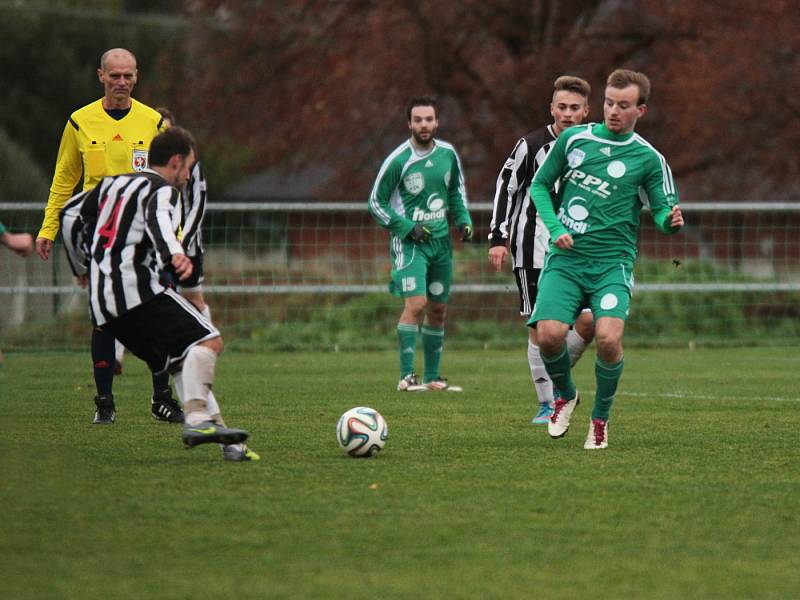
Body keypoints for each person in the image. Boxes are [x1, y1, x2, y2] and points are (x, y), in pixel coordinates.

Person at [78, 126, 256, 461]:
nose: (188, 176)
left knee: (180, 360)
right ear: (175, 162)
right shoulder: (161, 189)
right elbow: (160, 220)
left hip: (102, 304)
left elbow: (72, 215)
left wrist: (82, 266)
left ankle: (230, 445)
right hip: (137, 292)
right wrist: (173, 253)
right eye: (188, 166)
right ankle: (198, 420)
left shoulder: (111, 184)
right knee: (209, 341)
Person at [528, 68, 684, 449]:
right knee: (549, 336)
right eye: (609, 103)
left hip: (612, 264)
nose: (614, 111)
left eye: (624, 105)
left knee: (608, 340)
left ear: (640, 110)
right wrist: (554, 226)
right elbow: (540, 185)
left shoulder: (649, 159)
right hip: (566, 259)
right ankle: (565, 394)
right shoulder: (575, 140)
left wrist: (671, 222)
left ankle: (599, 421)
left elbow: (663, 211)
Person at [34, 48, 180, 425]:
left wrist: (174, 237)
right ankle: (104, 403)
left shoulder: (153, 122)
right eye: (114, 75)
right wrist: (49, 228)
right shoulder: (80, 122)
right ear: (100, 75)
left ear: (137, 77)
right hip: (101, 233)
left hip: (147, 233)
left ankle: (162, 398)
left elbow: (171, 181)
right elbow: (64, 179)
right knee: (105, 317)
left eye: (128, 75)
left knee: (158, 312)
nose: (121, 82)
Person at [488, 76, 595, 425]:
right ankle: (548, 403)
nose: (567, 113)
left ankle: (556, 376)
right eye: (561, 107)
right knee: (539, 325)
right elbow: (506, 187)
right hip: (532, 248)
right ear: (551, 109)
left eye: (574, 108)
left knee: (591, 320)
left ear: (586, 111)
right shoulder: (531, 145)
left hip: (581, 250)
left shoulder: (596, 145)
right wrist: (497, 238)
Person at [368, 96, 473, 392]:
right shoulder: (399, 160)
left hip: (441, 244)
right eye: (418, 120)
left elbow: (456, 193)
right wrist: (406, 228)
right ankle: (406, 376)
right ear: (409, 124)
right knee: (416, 303)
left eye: (429, 119)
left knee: (438, 309)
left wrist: (463, 220)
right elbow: (375, 203)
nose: (424, 125)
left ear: (437, 122)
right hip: (411, 244)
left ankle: (433, 377)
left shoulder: (448, 154)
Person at [113, 107, 211, 374]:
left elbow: (197, 204)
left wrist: (183, 241)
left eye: (165, 127)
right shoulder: (147, 165)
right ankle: (119, 357)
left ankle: (201, 346)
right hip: (154, 248)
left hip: (184, 245)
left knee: (193, 299)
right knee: (138, 298)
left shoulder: (189, 165)